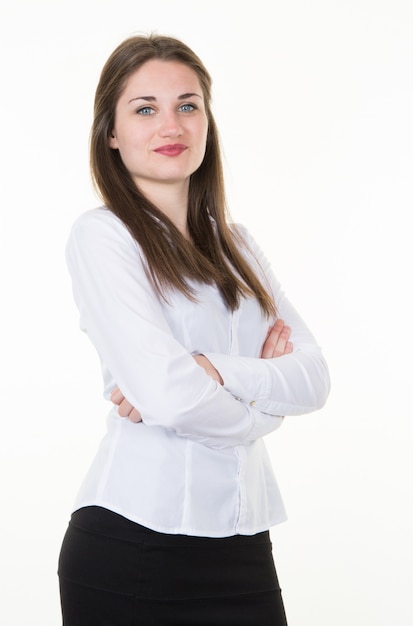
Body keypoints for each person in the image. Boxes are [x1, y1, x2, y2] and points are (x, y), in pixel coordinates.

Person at [58, 33, 330, 626]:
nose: (171, 125)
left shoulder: (239, 246)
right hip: (134, 544)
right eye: (144, 108)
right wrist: (263, 409)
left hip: (244, 540)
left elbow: (313, 376)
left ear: (207, 120)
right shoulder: (103, 237)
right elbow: (169, 395)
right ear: (110, 132)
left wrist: (213, 371)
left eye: (187, 105)